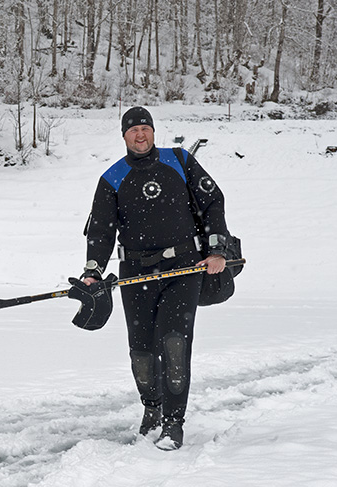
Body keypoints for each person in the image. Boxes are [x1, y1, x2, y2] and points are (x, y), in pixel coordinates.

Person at [80, 106, 229, 450]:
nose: (140, 135)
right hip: (135, 272)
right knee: (141, 351)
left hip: (184, 268)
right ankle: (152, 407)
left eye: (145, 128)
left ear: (153, 131)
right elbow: (101, 231)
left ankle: (173, 425)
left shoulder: (179, 161)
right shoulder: (112, 178)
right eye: (133, 130)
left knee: (174, 344)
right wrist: (93, 271)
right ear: (124, 136)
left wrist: (217, 249)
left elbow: (213, 203)